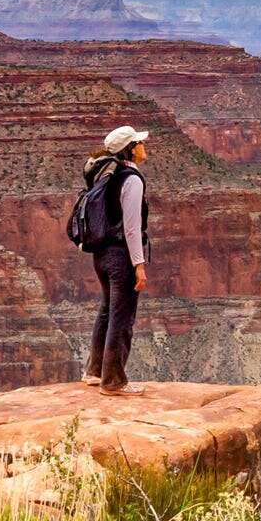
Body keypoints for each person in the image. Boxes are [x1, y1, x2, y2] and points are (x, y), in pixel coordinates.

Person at [85, 124, 150, 390]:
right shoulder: (131, 179)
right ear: (131, 150)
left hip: (100, 255)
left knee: (106, 311)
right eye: (140, 143)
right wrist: (139, 264)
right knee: (122, 317)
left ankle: (94, 372)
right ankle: (113, 382)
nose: (144, 147)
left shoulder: (106, 176)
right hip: (121, 257)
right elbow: (132, 227)